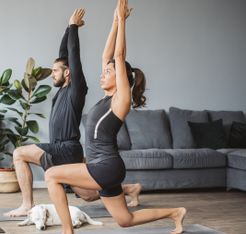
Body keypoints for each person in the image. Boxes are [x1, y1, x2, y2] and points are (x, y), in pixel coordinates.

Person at [44, 1, 187, 234]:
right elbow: (107, 55)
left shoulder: (121, 100)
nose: (103, 75)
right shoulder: (106, 97)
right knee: (125, 220)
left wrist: (122, 22)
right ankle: (175, 213)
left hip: (105, 166)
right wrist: (113, 21)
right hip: (105, 167)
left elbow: (118, 57)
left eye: (108, 73)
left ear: (121, 78)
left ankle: (67, 231)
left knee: (51, 175)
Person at [5, 8, 142, 217]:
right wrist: (68, 29)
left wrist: (73, 27)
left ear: (68, 73)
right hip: (64, 149)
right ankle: (129, 189)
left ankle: (26, 204)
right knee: (87, 194)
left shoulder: (76, 89)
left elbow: (73, 55)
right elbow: (64, 54)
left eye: (56, 71)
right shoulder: (61, 90)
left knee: (19, 153)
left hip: (66, 148)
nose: (52, 74)